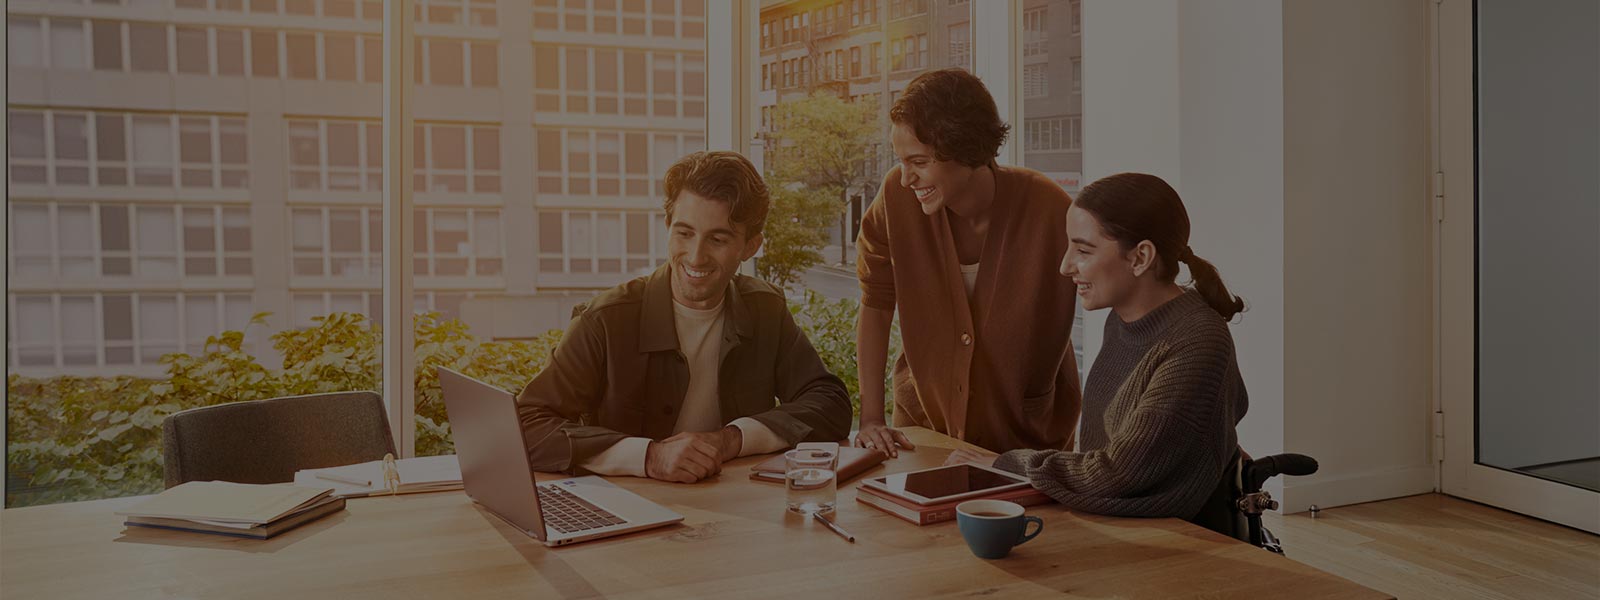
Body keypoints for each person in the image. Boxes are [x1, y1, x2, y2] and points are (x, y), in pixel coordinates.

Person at [517, 151, 853, 484]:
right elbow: (527, 424)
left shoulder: (765, 309)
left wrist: (731, 439)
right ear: (667, 226)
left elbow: (829, 403)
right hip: (629, 513)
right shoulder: (605, 319)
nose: (695, 256)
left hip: (742, 513)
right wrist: (649, 457)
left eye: (717, 239)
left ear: (750, 246)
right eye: (684, 233)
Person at [945, 172, 1249, 520]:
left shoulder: (1197, 340)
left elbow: (1118, 473)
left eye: (1083, 250)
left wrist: (1009, 463)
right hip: (1112, 526)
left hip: (1178, 545)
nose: (1065, 266)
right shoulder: (1123, 320)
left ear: (1140, 257)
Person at [854, 68, 1082, 457]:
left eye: (919, 162)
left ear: (965, 148)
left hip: (1025, 444)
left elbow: (1110, 286)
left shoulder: (1050, 210)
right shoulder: (894, 200)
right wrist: (872, 417)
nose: (906, 177)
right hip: (924, 435)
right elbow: (875, 305)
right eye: (901, 161)